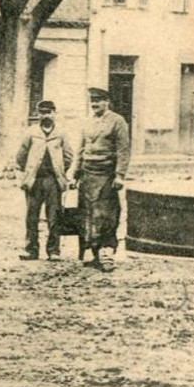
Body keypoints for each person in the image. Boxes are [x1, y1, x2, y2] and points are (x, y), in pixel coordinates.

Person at [67, 86, 130, 271]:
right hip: (87, 175)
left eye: (98, 101)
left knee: (105, 214)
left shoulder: (117, 121)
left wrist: (119, 175)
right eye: (92, 101)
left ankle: (106, 251)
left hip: (106, 175)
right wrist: (75, 174)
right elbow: (80, 150)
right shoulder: (87, 122)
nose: (94, 104)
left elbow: (123, 150)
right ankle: (91, 250)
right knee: (87, 213)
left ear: (107, 102)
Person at [15, 99, 73, 260]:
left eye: (48, 112)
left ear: (54, 113)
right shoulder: (31, 132)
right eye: (42, 112)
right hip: (34, 180)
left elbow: (68, 156)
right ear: (38, 114)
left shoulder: (61, 133)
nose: (45, 115)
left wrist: (60, 171)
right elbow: (21, 156)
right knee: (31, 216)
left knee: (54, 216)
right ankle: (31, 249)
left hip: (52, 181)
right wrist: (27, 173)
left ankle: (54, 250)